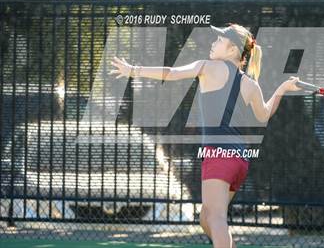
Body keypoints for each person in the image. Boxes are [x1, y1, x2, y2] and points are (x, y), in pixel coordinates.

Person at [109, 23, 301, 248]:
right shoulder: (250, 84)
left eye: (219, 40)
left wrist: (133, 70)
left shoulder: (208, 67)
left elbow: (170, 73)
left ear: (232, 50)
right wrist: (282, 89)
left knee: (216, 218)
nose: (214, 42)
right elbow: (265, 115)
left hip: (219, 156)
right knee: (206, 217)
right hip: (240, 160)